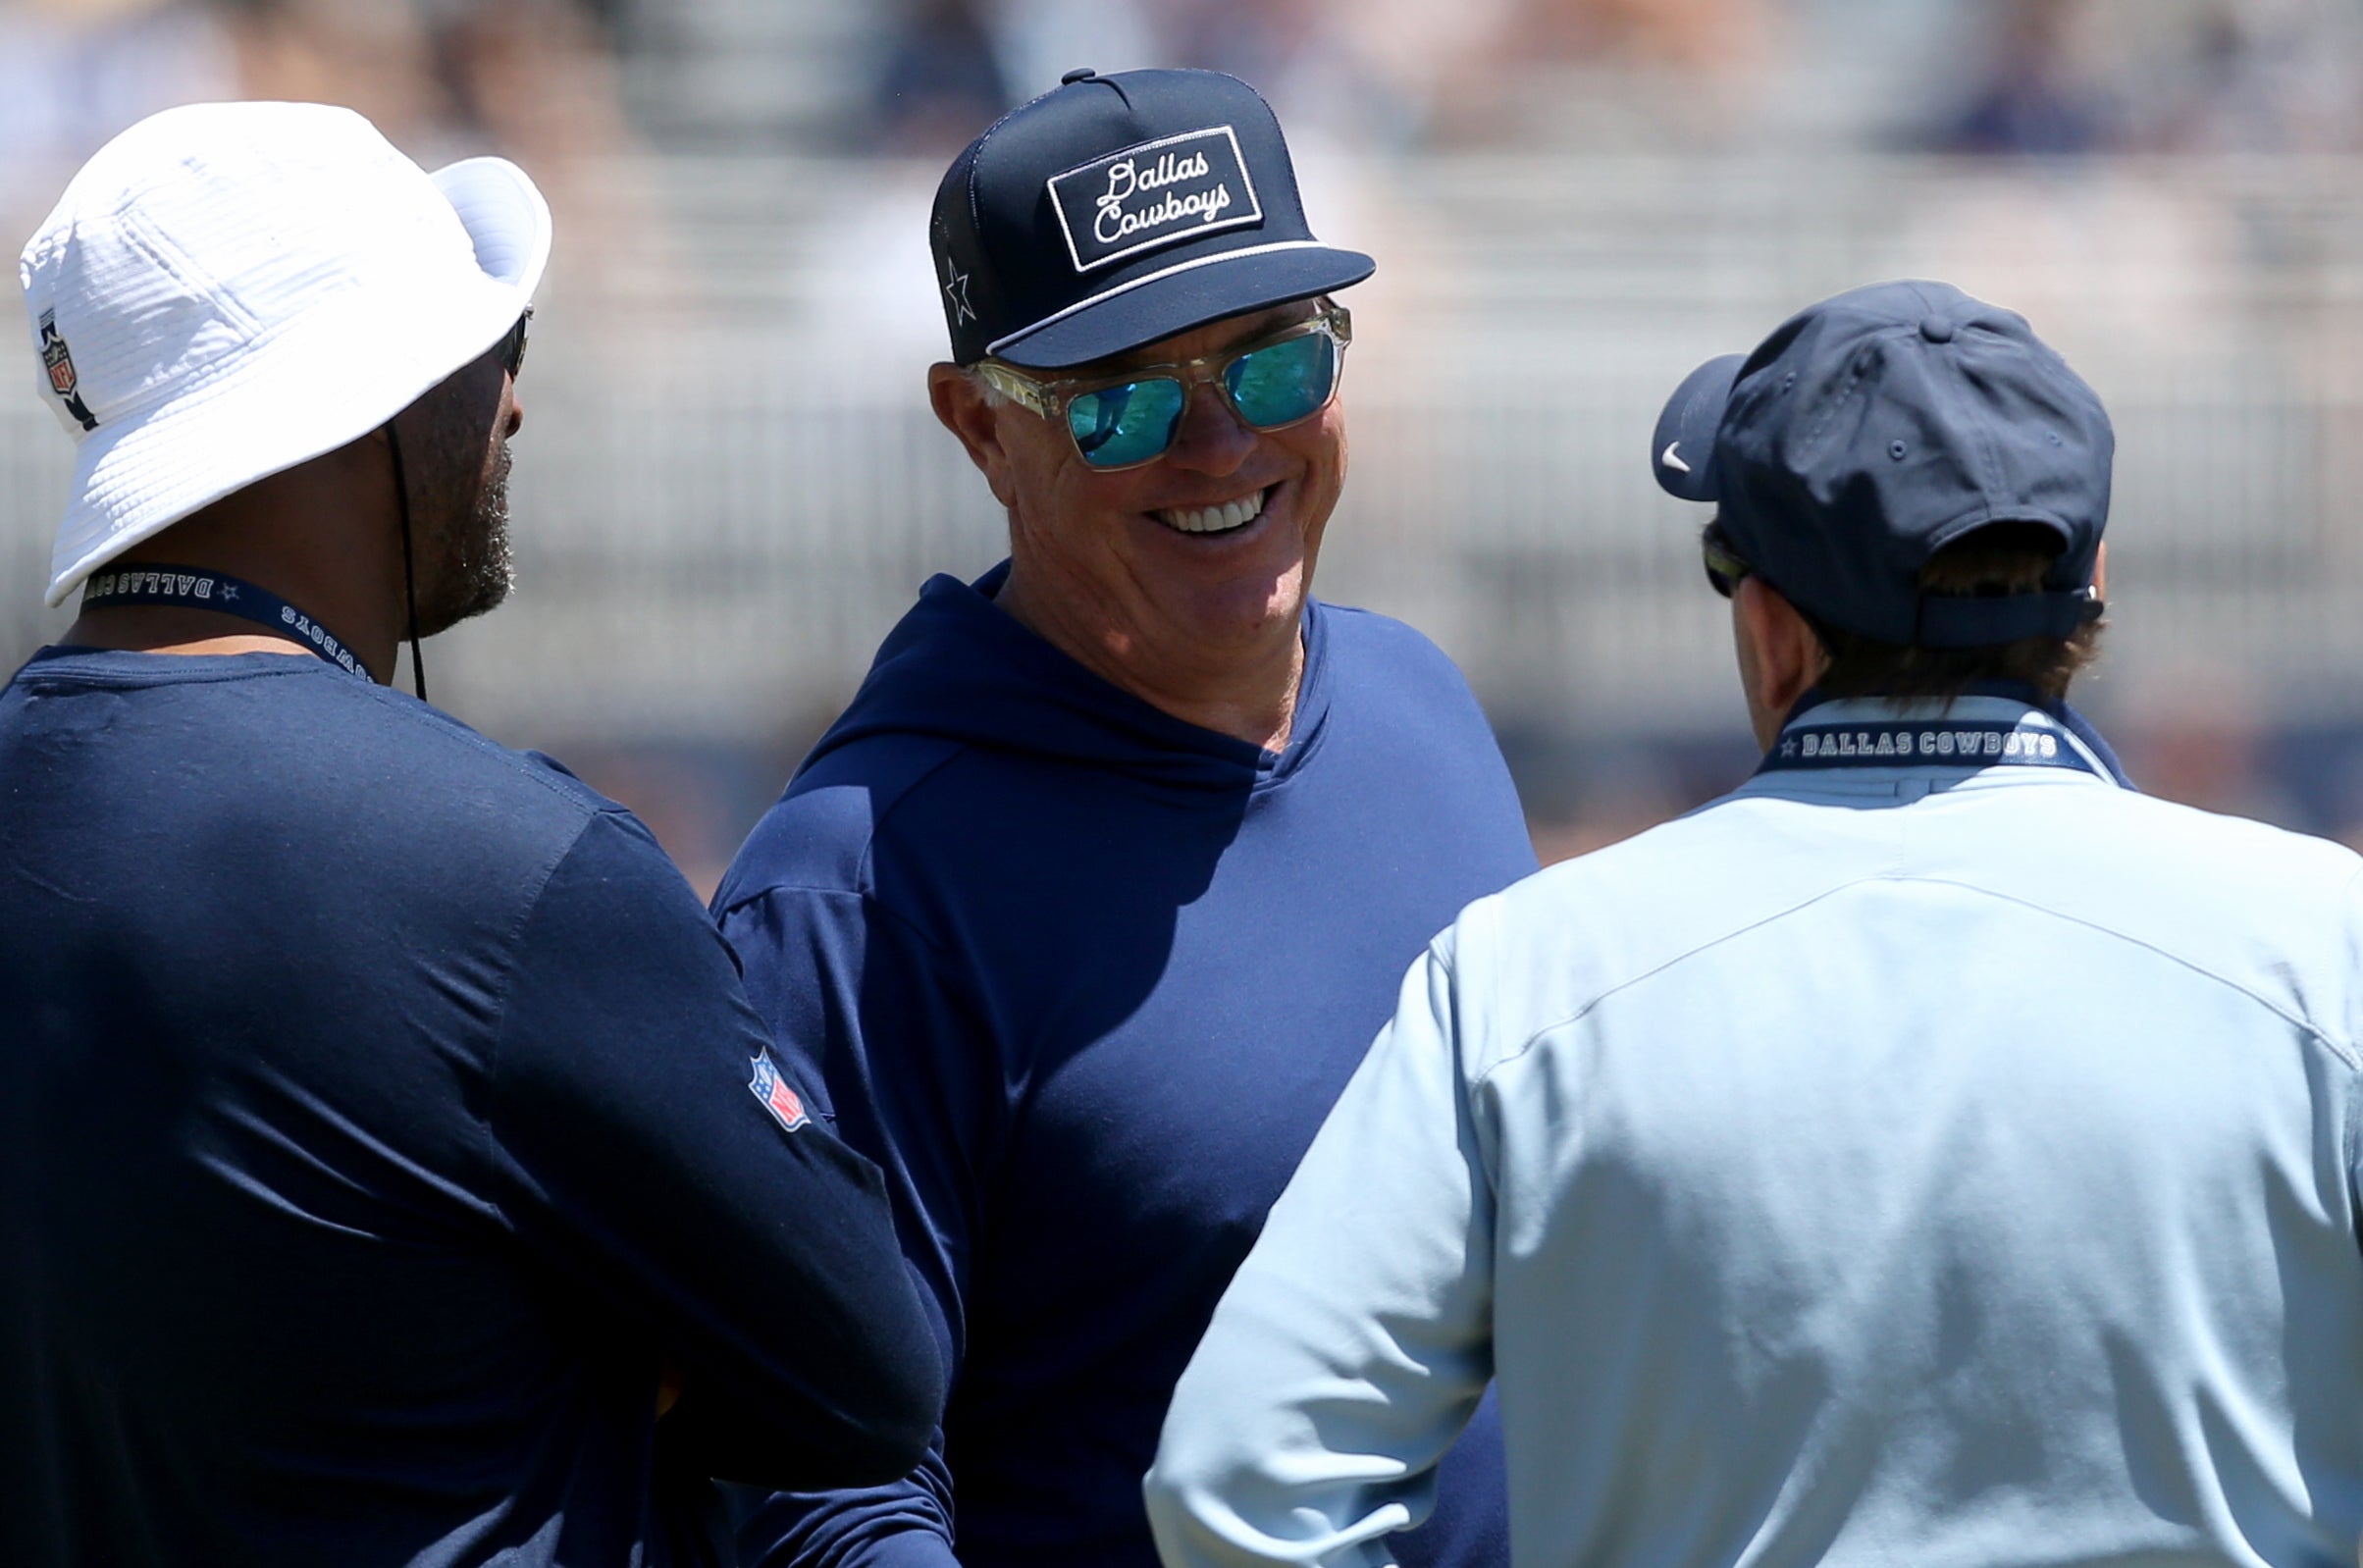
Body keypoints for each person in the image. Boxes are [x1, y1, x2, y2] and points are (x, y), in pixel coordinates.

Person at [1146, 279, 2363, 1567]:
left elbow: (1242, 1484)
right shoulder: (2327, 945)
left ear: (1770, 630)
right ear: (2094, 586)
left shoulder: (1528, 975)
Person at [1, 102, 943, 1568]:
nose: (511, 405)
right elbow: (874, 1372)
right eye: (491, 350)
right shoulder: (515, 872)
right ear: (366, 399)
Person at [712, 67, 1536, 1568]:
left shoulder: (1420, 702)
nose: (1220, 446)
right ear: (979, 428)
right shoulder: (863, 886)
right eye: (1125, 398)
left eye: (1274, 363)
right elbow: (814, 1498)